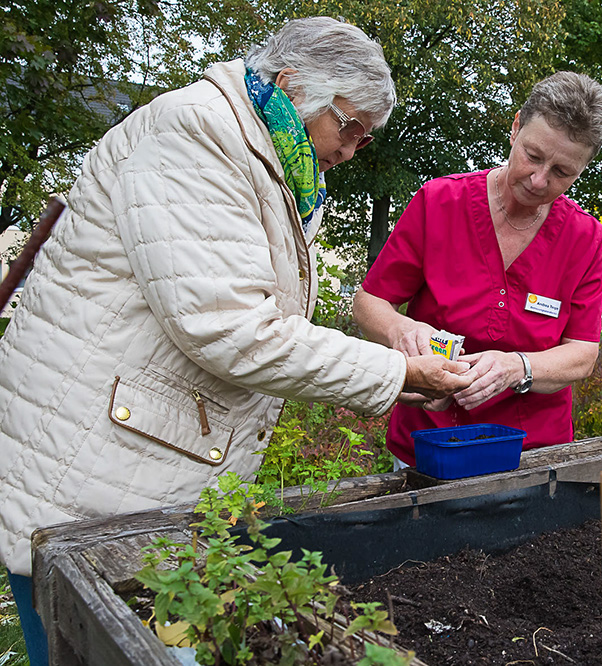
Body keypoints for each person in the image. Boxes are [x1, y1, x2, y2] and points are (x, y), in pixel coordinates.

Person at [0, 17, 472, 665]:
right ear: (293, 84)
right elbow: (231, 329)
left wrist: (394, 373)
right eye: (349, 127)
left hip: (135, 467)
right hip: (88, 469)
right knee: (84, 644)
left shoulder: (276, 163)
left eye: (366, 137)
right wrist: (398, 374)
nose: (353, 149)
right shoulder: (195, 133)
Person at [353, 72, 602, 466]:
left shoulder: (584, 237)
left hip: (533, 454)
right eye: (533, 156)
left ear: (584, 168)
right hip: (429, 442)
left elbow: (582, 353)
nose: (539, 180)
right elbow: (369, 301)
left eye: (562, 172)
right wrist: (402, 331)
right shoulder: (440, 202)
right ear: (515, 128)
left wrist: (517, 367)